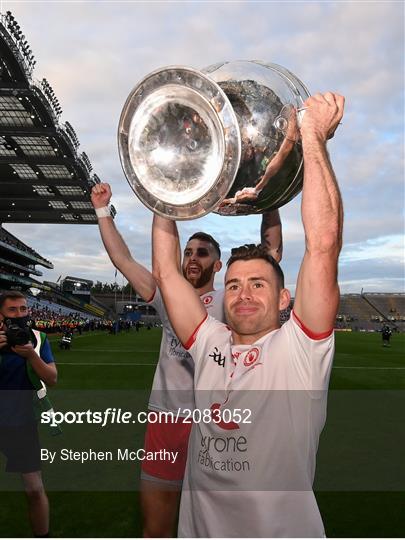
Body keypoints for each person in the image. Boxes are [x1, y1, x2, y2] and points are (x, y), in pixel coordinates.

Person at [152, 92, 344, 536]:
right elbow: (165, 270)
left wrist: (313, 137)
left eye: (259, 284)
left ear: (284, 300)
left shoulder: (301, 350)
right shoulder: (209, 342)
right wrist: (166, 185)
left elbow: (324, 243)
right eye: (234, 284)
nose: (243, 294)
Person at [91, 183, 283, 537]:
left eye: (203, 253)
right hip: (167, 417)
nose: (193, 258)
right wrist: (103, 211)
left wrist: (272, 201)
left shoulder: (231, 301)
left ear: (219, 263)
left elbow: (271, 255)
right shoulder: (168, 298)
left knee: (222, 525)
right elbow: (123, 260)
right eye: (189, 252)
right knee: (156, 526)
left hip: (215, 424)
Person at [0, 290, 57, 537]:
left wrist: (31, 354)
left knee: (34, 489)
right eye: (13, 310)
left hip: (22, 422)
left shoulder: (38, 338)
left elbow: (52, 378)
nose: (20, 314)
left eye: (23, 309)